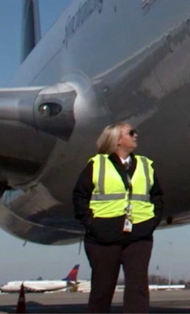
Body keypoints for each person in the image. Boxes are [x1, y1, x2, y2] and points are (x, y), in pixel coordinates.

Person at [73, 122, 164, 313]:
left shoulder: (146, 165)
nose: (135, 135)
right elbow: (79, 196)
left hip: (139, 234)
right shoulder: (97, 165)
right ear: (117, 140)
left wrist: (150, 223)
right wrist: (92, 225)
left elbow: (157, 196)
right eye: (131, 133)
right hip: (103, 236)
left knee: (138, 289)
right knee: (102, 290)